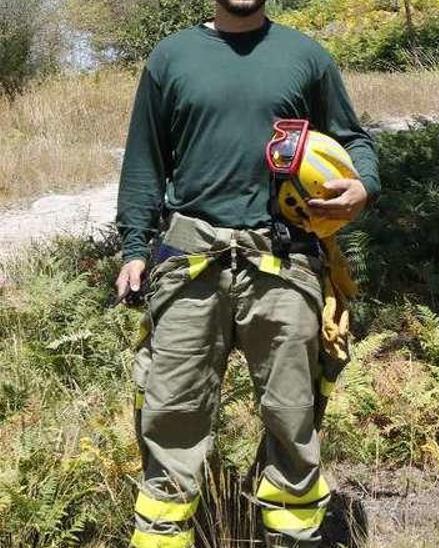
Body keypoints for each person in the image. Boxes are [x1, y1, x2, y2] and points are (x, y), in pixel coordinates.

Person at [112, 0, 379, 545]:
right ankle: (165, 532)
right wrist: (135, 248)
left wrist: (363, 184)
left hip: (283, 261)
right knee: (171, 412)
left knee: (292, 415)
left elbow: (354, 140)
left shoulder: (305, 56)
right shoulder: (172, 57)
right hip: (190, 262)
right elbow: (145, 160)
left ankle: (291, 534)